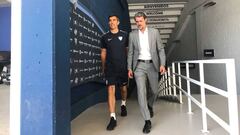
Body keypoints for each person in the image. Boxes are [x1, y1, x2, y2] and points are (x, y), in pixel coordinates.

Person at [127, 12, 166, 134]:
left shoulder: (154, 32)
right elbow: (130, 53)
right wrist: (129, 68)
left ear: (145, 20)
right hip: (139, 66)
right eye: (136, 21)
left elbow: (160, 49)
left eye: (140, 21)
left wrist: (162, 64)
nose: (138, 23)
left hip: (153, 65)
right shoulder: (132, 35)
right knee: (141, 92)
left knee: (154, 91)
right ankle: (147, 120)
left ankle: (150, 104)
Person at [101, 15, 128, 131]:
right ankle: (112, 118)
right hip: (110, 69)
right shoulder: (104, 37)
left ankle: (123, 104)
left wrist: (128, 66)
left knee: (123, 89)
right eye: (110, 21)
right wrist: (104, 67)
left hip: (122, 68)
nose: (111, 22)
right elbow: (103, 53)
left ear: (118, 22)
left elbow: (127, 51)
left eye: (114, 20)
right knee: (111, 90)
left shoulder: (125, 35)